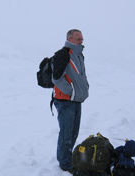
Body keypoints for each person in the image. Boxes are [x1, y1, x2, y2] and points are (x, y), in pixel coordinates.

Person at [51, 29, 89, 174]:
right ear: (70, 39)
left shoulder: (79, 55)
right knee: (66, 133)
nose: (81, 41)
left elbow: (80, 76)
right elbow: (56, 78)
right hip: (65, 101)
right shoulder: (63, 54)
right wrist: (70, 91)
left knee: (74, 132)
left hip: (76, 100)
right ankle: (65, 163)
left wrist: (84, 89)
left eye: (82, 39)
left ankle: (68, 158)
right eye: (78, 39)